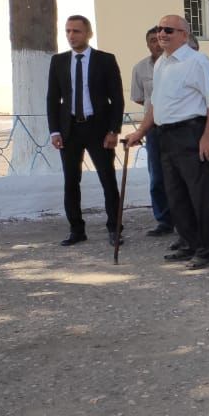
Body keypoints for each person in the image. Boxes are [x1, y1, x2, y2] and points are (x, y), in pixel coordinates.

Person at [122, 15, 209, 269]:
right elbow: (155, 105)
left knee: (200, 195)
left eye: (168, 30)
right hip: (165, 135)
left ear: (184, 34)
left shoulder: (197, 61)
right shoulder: (161, 64)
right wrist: (140, 132)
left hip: (191, 133)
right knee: (176, 195)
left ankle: (207, 250)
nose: (161, 34)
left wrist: (208, 135)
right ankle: (189, 243)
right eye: (159, 29)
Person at [46, 14, 124, 247]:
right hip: (70, 129)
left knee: (107, 179)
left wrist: (113, 130)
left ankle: (115, 228)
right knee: (71, 181)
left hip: (98, 128)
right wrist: (54, 131)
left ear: (88, 34)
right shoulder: (58, 61)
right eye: (68, 31)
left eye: (76, 31)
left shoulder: (105, 60)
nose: (71, 36)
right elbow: (53, 98)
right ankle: (76, 229)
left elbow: (117, 99)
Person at [130, 26, 172, 236]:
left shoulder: (178, 65)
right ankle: (164, 220)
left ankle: (186, 219)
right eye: (152, 40)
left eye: (159, 39)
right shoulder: (140, 68)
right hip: (153, 127)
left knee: (180, 175)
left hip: (176, 126)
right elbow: (140, 98)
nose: (157, 43)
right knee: (157, 176)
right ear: (148, 44)